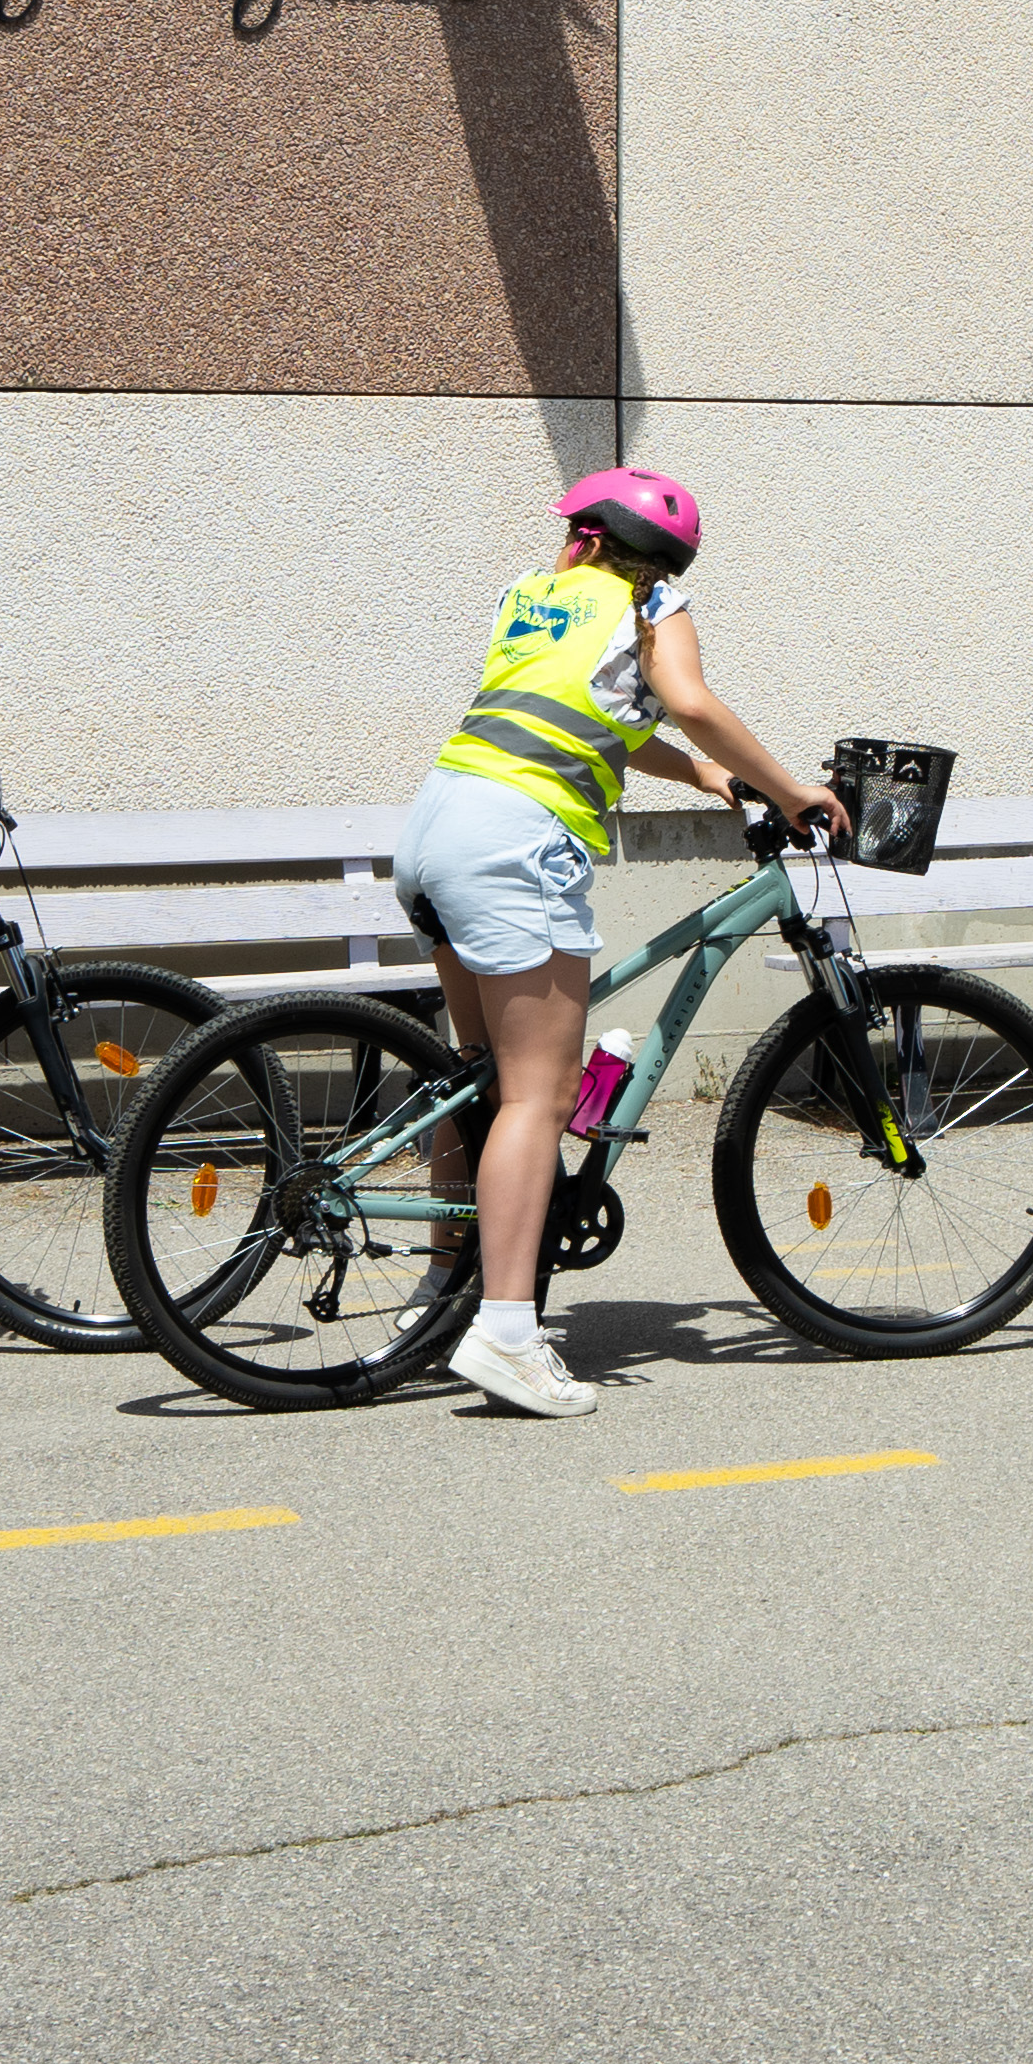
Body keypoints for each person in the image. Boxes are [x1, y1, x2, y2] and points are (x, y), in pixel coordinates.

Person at [397, 465, 846, 1417]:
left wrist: (706, 780)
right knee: (541, 1095)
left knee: (474, 1073)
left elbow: (609, 719)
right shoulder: (656, 601)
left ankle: (442, 1293)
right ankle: (508, 1335)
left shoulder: (530, 598)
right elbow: (687, 698)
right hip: (518, 841)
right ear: (653, 561)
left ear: (586, 538)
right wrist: (790, 786)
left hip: (441, 824)